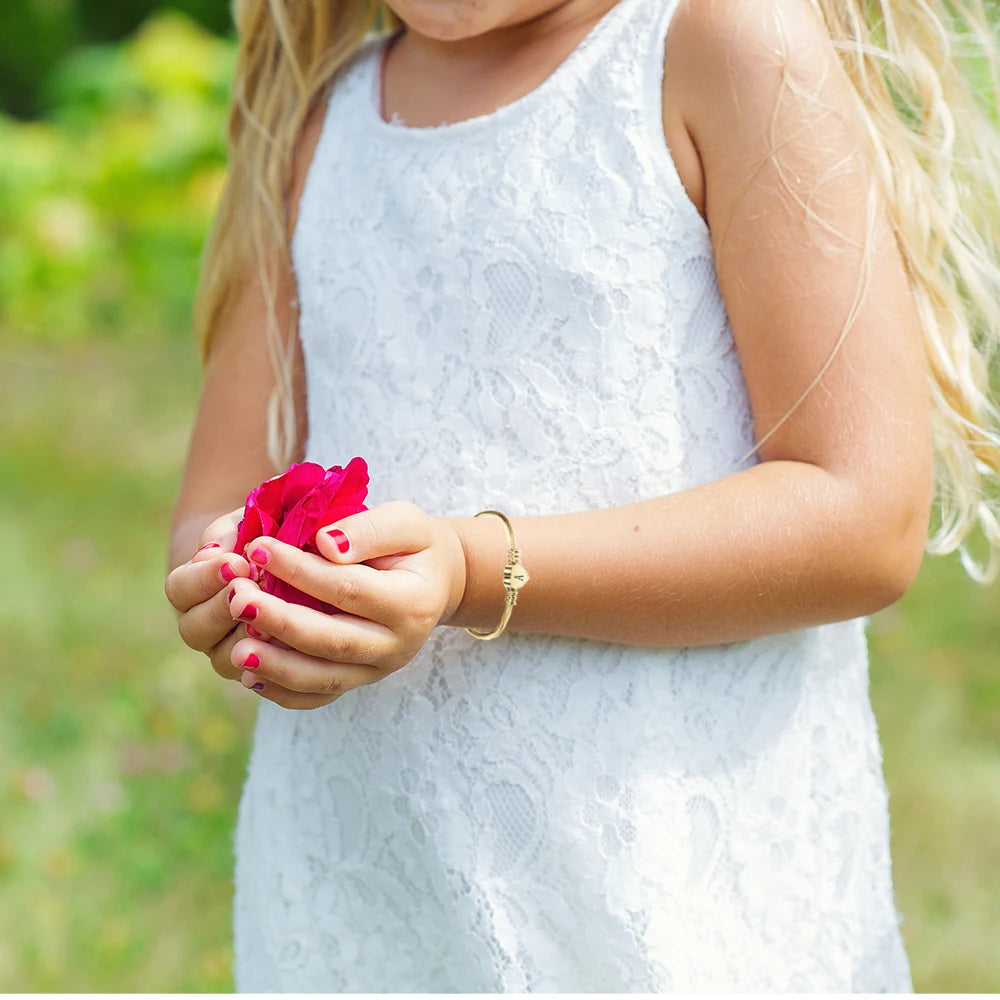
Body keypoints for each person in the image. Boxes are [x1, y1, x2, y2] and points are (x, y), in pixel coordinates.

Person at [164, 0, 1000, 990]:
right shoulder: (323, 126)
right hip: (374, 876)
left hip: (662, 874)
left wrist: (472, 567)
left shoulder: (716, 46)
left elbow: (861, 516)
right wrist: (241, 583)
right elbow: (216, 492)